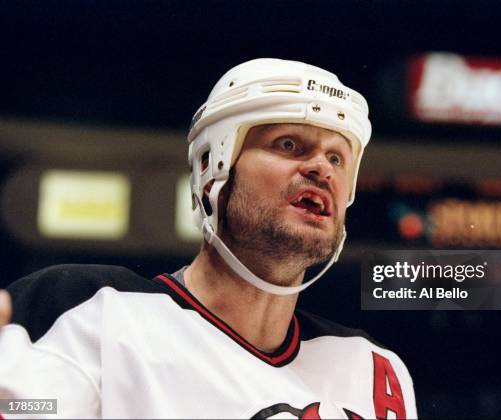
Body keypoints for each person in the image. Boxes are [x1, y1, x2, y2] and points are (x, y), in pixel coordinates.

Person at [0, 58, 417, 419]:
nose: (322, 169)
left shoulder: (375, 369)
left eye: (336, 157)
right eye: (289, 144)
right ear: (212, 168)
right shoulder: (89, 309)